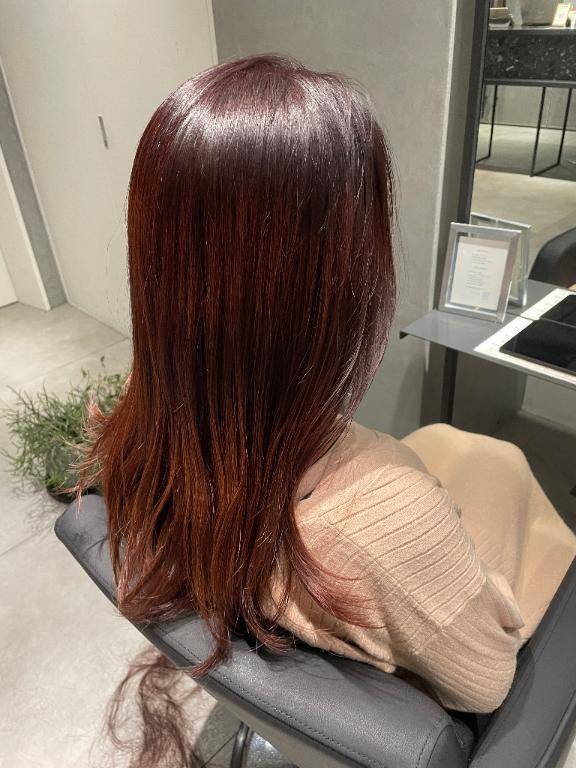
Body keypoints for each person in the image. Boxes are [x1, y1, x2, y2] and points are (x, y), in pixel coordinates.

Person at [80, 53, 576, 763]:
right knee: (510, 471)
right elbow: (488, 679)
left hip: (357, 537)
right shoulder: (387, 517)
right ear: (336, 279)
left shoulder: (146, 431)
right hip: (413, 570)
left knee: (460, 445)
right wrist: (468, 573)